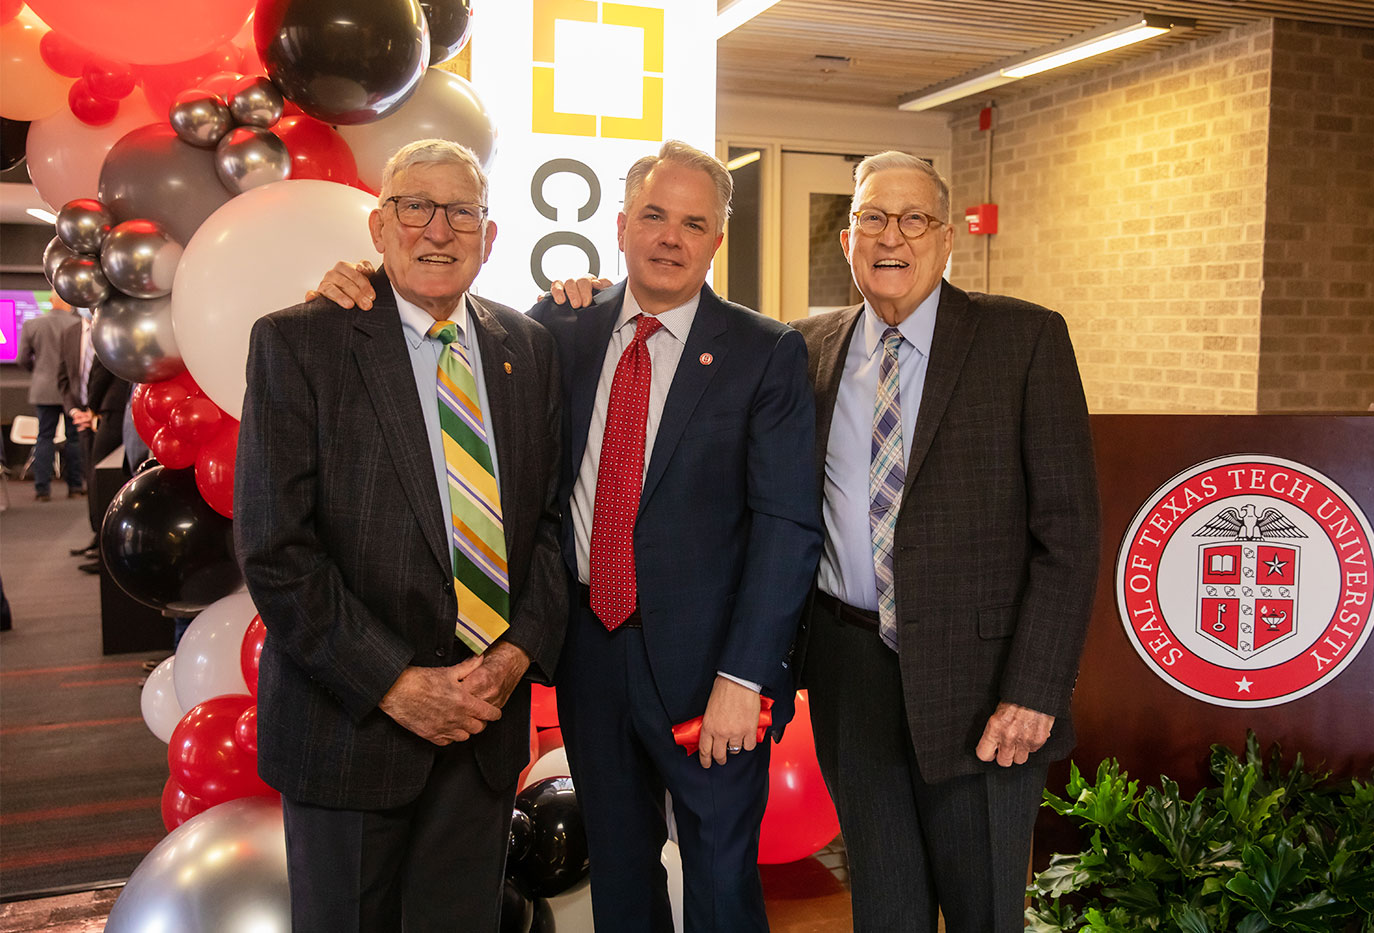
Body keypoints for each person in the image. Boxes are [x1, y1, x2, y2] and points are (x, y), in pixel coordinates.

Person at [313, 139, 823, 933]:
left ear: (717, 240)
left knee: (722, 878)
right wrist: (355, 285)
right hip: (591, 650)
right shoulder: (558, 327)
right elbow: (432, 318)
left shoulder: (767, 351)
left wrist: (746, 676)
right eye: (653, 215)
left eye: (694, 223)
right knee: (619, 868)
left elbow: (788, 528)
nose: (670, 237)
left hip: (711, 669)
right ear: (619, 225)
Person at [234, 139, 566, 933]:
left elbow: (550, 525)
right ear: (380, 227)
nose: (439, 230)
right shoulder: (300, 341)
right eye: (416, 206)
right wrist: (395, 683)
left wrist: (513, 656)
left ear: (491, 237)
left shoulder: (528, 348)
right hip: (351, 728)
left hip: (484, 728)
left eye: (463, 211)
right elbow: (276, 551)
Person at [791, 151, 1101, 932]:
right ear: (847, 238)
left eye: (913, 218)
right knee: (884, 908)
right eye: (871, 217)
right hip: (850, 671)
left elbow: (1067, 532)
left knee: (982, 909)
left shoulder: (1023, 340)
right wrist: (590, 302)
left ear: (947, 235)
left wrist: (1034, 687)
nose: (891, 236)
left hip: (985, 686)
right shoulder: (804, 350)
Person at [58, 312, 129, 569]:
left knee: (104, 478)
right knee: (92, 475)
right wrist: (79, 411)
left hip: (107, 412)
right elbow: (64, 377)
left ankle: (106, 547)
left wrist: (92, 410)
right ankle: (97, 537)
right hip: (89, 415)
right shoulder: (69, 334)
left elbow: (100, 374)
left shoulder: (110, 329)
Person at [16, 294, 82, 501]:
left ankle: (42, 490)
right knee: (74, 439)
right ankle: (76, 487)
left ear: (51, 301)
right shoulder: (78, 325)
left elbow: (22, 358)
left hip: (43, 389)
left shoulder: (33, 324)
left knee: (44, 437)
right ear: (68, 302)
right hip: (73, 391)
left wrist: (39, 372)